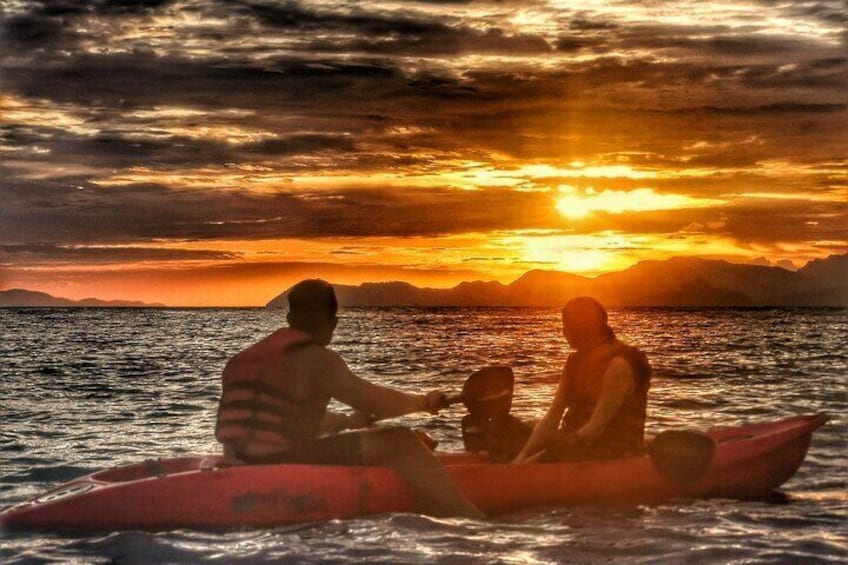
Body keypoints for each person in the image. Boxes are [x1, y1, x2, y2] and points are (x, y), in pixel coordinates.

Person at [215, 279, 485, 519]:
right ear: (332, 322)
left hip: (240, 458)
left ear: (289, 318)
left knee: (387, 438)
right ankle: (471, 519)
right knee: (402, 441)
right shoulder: (318, 359)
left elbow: (284, 422)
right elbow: (373, 401)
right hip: (281, 458)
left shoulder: (243, 359)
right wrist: (424, 403)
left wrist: (346, 422)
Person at [513, 296, 650, 463]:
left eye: (567, 326)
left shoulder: (619, 364)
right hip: (574, 443)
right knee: (513, 437)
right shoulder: (574, 362)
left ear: (583, 328)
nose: (563, 332)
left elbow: (594, 429)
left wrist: (536, 461)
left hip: (609, 451)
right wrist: (521, 456)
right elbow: (552, 417)